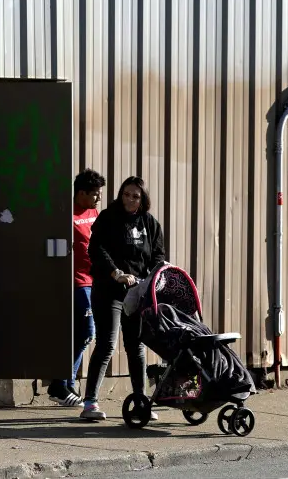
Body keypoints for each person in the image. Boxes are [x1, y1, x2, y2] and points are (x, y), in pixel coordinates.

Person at [79, 176, 167, 422]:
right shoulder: (108, 218)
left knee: (135, 346)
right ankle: (90, 403)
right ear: (120, 195)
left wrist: (151, 278)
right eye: (126, 194)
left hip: (137, 293)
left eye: (136, 196)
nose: (130, 199)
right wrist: (116, 273)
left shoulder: (150, 223)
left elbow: (158, 255)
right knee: (107, 344)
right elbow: (96, 249)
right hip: (109, 291)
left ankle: (140, 401)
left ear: (143, 199)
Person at [47, 168, 106, 407]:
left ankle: (68, 382)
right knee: (86, 332)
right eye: (94, 194)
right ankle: (59, 385)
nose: (98, 198)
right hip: (77, 281)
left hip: (96, 280)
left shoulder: (93, 211)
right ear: (80, 193)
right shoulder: (66, 214)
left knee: (80, 333)